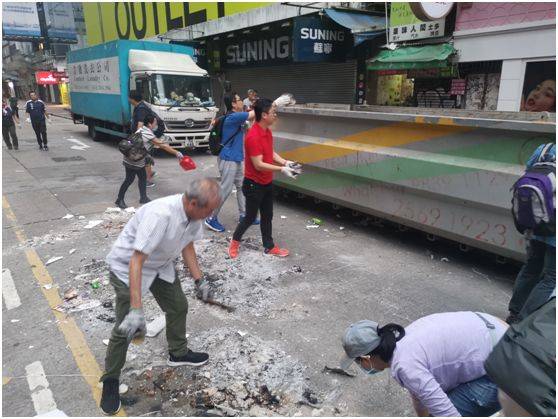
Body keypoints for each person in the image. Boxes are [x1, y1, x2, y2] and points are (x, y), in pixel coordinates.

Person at [100, 178, 221, 415]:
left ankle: (178, 353)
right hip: (128, 268)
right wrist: (136, 309)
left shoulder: (193, 214)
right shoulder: (160, 215)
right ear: (194, 203)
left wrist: (200, 280)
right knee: (126, 327)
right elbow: (137, 260)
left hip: (159, 265)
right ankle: (110, 380)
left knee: (178, 306)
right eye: (210, 209)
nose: (212, 213)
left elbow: (188, 246)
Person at [341, 312, 508, 417]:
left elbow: (450, 415)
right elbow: (420, 393)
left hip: (508, 366)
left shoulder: (406, 366)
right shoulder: (406, 339)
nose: (360, 365)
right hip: (501, 333)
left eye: (358, 360)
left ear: (368, 357)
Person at [228, 98, 301, 258]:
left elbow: (270, 152)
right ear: (264, 115)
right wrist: (282, 169)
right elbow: (259, 164)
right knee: (250, 217)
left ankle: (269, 246)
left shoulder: (267, 131)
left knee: (268, 216)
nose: (276, 116)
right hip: (254, 185)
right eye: (273, 113)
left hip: (267, 182)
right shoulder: (253, 136)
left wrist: (285, 162)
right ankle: (234, 242)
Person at [506, 143, 556, 324]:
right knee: (551, 278)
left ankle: (514, 312)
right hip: (554, 231)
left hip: (536, 224)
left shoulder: (545, 148)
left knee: (530, 269)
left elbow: (529, 172)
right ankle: (523, 320)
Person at [205, 92, 260, 232]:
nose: (241, 101)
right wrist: (273, 103)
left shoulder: (237, 118)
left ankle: (244, 215)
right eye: (239, 99)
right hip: (228, 158)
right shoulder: (234, 116)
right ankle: (211, 218)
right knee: (226, 189)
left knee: (242, 186)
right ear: (234, 104)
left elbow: (250, 128)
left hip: (237, 158)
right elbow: (256, 113)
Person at [116, 114, 185, 209]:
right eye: (155, 123)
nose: (156, 125)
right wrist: (176, 152)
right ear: (149, 124)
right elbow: (163, 146)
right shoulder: (148, 133)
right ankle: (119, 199)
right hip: (134, 160)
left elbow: (141, 144)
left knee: (143, 177)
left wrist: (147, 156)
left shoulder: (141, 129)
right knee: (129, 179)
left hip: (131, 157)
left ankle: (143, 198)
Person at [129, 90, 158, 187]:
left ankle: (147, 179)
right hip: (146, 134)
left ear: (132, 99)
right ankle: (148, 174)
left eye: (129, 98)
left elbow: (140, 125)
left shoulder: (141, 108)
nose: (128, 100)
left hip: (145, 135)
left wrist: (136, 139)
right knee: (145, 157)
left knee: (145, 158)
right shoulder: (140, 106)